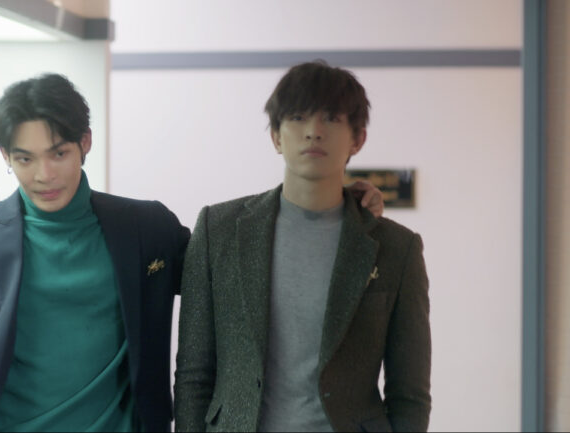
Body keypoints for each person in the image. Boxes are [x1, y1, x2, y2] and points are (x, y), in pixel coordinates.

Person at [0, 73, 386, 432]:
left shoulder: (145, 227)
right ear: (5, 158)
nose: (44, 175)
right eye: (25, 159)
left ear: (85, 143)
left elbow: (237, 270)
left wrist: (332, 205)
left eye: (59, 153)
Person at [174, 60, 431, 432]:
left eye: (331, 118)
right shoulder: (219, 230)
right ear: (276, 137)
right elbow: (194, 376)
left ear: (357, 139)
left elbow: (409, 395)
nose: (313, 132)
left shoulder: (396, 248)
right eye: (297, 118)